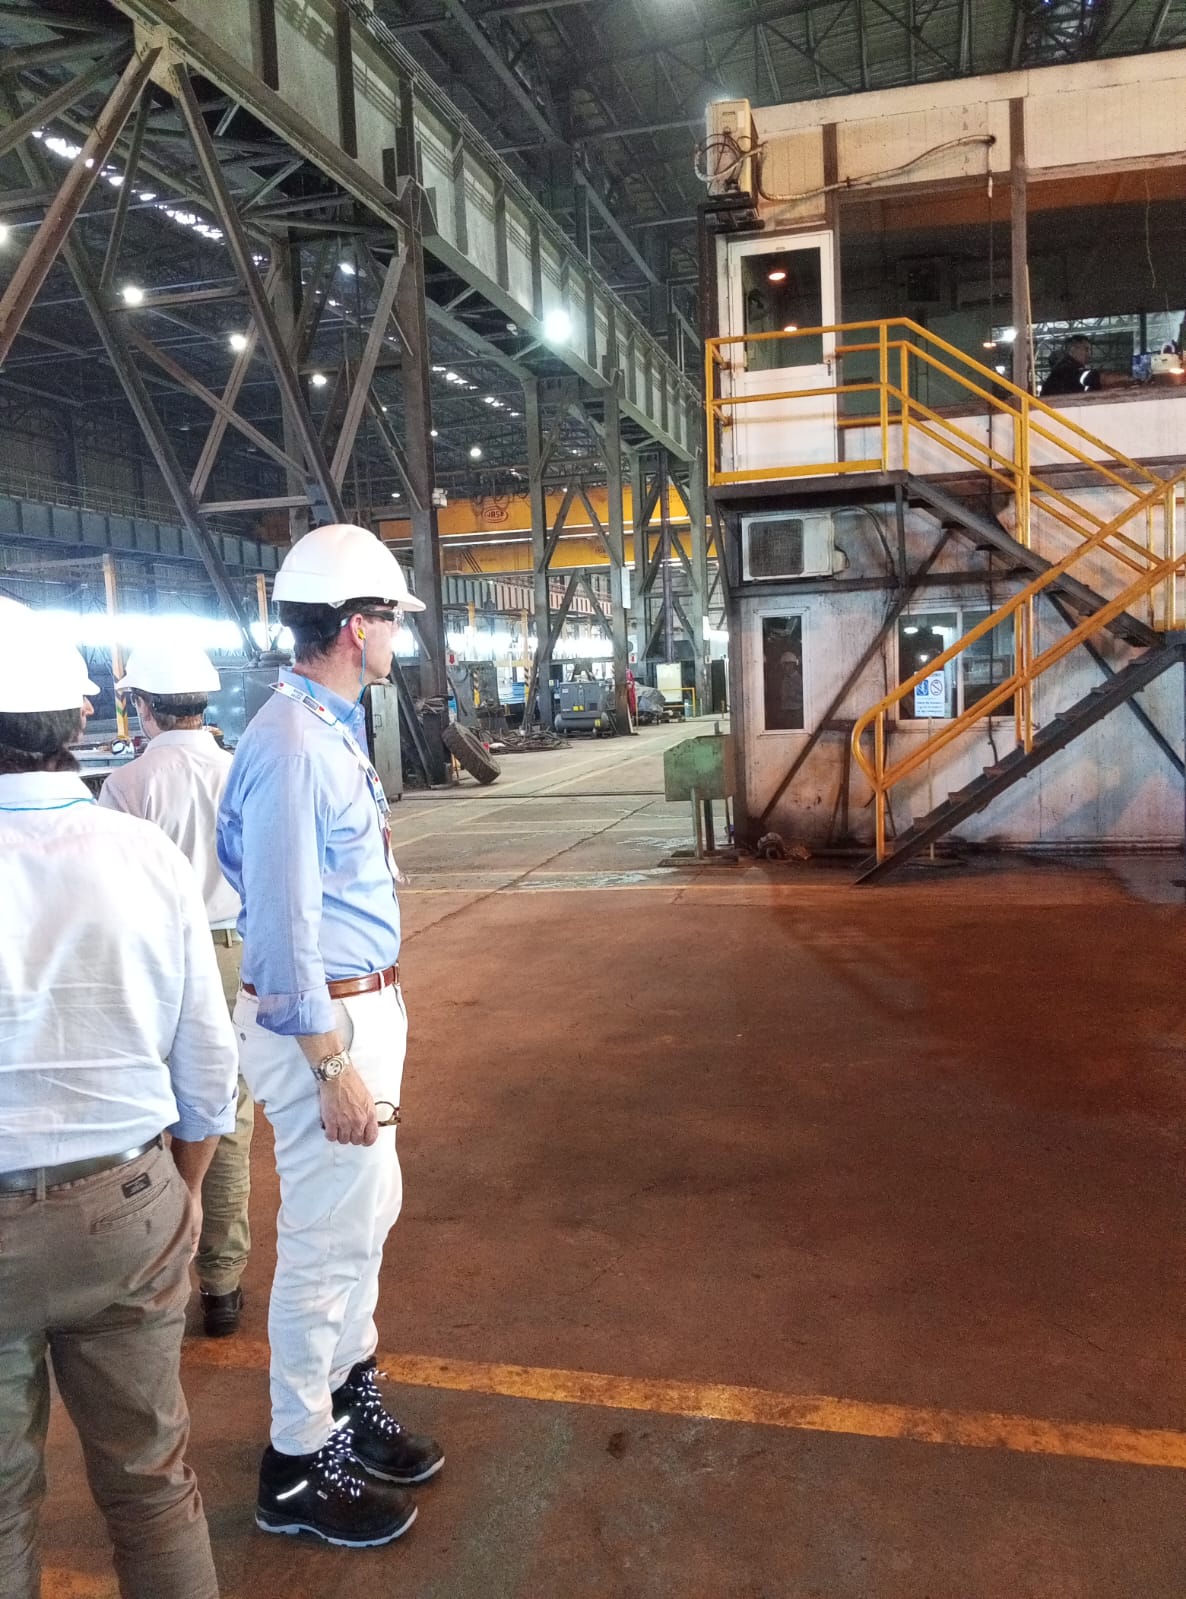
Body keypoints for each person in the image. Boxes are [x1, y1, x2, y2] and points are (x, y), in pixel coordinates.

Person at [0, 604, 237, 1599]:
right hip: (125, 1205)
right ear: (79, 715)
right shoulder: (144, 856)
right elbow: (208, 1067)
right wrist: (184, 1191)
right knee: (150, 1487)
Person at [217, 524, 443, 1550]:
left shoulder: (325, 725)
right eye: (391, 618)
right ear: (356, 627)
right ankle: (298, 1464)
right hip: (323, 1025)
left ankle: (348, 1402)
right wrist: (332, 1061)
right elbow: (278, 928)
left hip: (359, 1008)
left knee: (364, 1215)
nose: (398, 635)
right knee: (323, 1239)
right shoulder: (293, 745)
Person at [98, 642, 252, 1339]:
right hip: (236, 952)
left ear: (144, 705)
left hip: (155, 959)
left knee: (149, 1114)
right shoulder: (241, 769)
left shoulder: (128, 785)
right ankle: (222, 1283)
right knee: (222, 1114)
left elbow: (115, 892)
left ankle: (154, 1268)